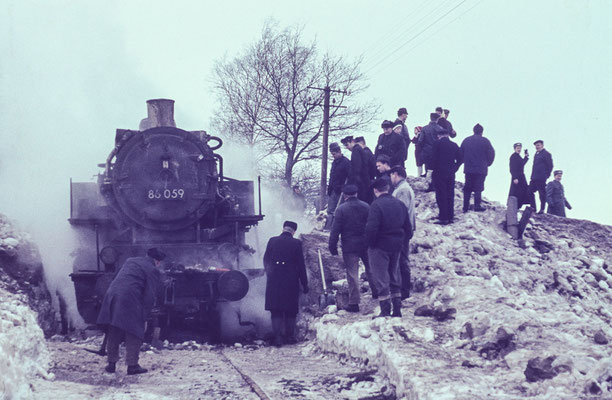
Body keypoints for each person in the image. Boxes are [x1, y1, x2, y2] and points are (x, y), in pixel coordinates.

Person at [97, 248, 164, 375]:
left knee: (114, 328)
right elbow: (149, 295)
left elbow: (116, 277)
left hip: (112, 294)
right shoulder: (152, 269)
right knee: (134, 331)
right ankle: (132, 366)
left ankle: (111, 364)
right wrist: (145, 315)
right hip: (129, 297)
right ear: (156, 261)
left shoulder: (130, 261)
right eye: (159, 262)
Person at [366, 179, 412, 318]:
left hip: (380, 247)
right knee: (394, 276)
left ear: (375, 190)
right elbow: (408, 228)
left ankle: (385, 310)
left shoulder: (376, 205)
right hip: (396, 246)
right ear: (388, 188)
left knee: (381, 278)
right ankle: (397, 309)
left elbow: (372, 228)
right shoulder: (399, 204)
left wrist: (370, 243)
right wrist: (402, 242)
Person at [329, 184, 377, 310]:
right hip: (366, 244)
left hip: (349, 246)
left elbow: (335, 230)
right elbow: (373, 225)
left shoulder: (341, 209)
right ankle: (377, 292)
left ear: (345, 195)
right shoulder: (366, 206)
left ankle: (354, 303)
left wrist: (332, 246)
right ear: (356, 194)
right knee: (371, 269)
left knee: (352, 274)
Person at [264, 221, 309, 347]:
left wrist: (270, 274)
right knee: (290, 310)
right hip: (291, 281)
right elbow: (301, 265)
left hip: (274, 280)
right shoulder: (296, 243)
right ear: (294, 231)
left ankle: (278, 338)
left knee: (276, 310)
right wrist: (304, 284)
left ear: (283, 228)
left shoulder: (272, 241)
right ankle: (289, 337)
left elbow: (266, 260)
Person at [390, 166, 416, 299]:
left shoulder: (403, 190)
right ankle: (402, 289)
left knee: (402, 260)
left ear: (396, 174)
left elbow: (401, 211)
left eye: (391, 175)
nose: (390, 178)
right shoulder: (402, 188)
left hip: (401, 230)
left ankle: (404, 290)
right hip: (403, 229)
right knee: (400, 259)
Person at [460, 124, 495, 212]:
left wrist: (465, 161)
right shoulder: (485, 141)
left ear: (473, 130)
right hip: (481, 169)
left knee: (467, 188)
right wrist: (488, 163)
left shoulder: (466, 140)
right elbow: (491, 153)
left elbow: (460, 153)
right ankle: (477, 205)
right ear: (482, 132)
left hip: (469, 168)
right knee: (478, 188)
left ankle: (465, 207)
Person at [431, 126, 463, 225]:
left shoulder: (436, 144)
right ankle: (450, 216)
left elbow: (432, 158)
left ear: (439, 136)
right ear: (448, 135)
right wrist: (455, 167)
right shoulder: (454, 145)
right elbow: (461, 158)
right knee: (450, 194)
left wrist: (432, 169)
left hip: (439, 173)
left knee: (441, 195)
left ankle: (443, 217)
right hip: (450, 173)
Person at [418, 113, 445, 191]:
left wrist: (424, 148)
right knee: (436, 169)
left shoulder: (424, 129)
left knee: (427, 169)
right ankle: (435, 185)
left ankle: (429, 185)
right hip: (437, 152)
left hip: (426, 152)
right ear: (437, 119)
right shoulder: (440, 129)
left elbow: (420, 141)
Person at [326, 142, 350, 229]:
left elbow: (349, 177)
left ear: (339, 151)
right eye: (332, 154)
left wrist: (344, 189)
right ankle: (328, 227)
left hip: (341, 191)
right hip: (333, 190)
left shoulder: (346, 162)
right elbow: (332, 176)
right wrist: (329, 188)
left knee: (339, 211)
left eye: (334, 154)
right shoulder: (334, 162)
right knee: (330, 210)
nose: (333, 156)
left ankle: (337, 228)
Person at [342, 135, 370, 203]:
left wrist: (352, 180)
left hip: (360, 181)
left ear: (352, 142)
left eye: (347, 145)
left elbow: (356, 168)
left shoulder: (356, 150)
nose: (347, 147)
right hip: (364, 179)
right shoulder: (359, 149)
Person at [529, 140, 554, 214]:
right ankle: (533, 208)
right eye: (536, 146)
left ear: (542, 145)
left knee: (542, 193)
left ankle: (542, 209)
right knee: (529, 190)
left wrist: (546, 175)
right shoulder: (536, 154)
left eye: (538, 145)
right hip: (534, 177)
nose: (537, 147)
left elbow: (550, 165)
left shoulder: (547, 154)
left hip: (541, 177)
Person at [508, 143, 531, 208]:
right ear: (515, 149)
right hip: (517, 177)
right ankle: (515, 206)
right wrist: (515, 178)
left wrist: (526, 157)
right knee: (516, 192)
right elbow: (512, 168)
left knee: (523, 191)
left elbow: (522, 164)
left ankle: (519, 206)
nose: (519, 149)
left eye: (520, 148)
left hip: (521, 177)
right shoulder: (513, 156)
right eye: (517, 148)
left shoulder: (518, 156)